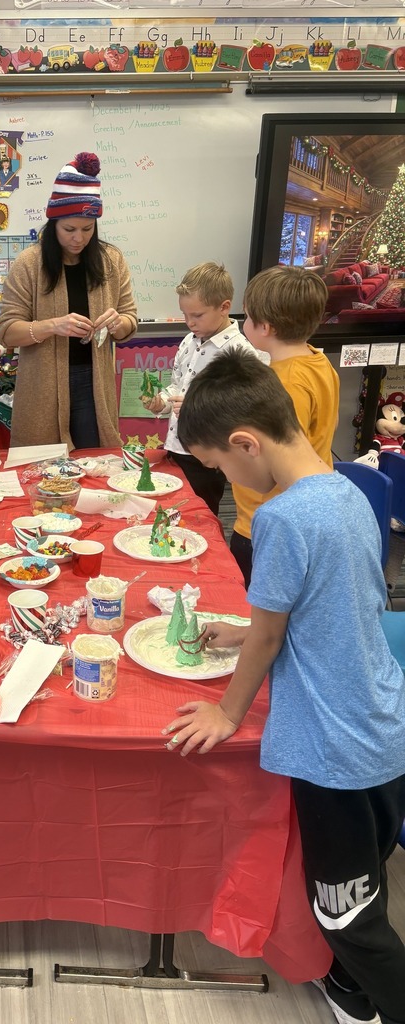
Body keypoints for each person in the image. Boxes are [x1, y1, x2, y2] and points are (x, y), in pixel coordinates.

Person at [162, 349, 405, 1024]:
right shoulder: (344, 490)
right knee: (362, 887)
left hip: (339, 751)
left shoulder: (281, 517)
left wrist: (226, 711)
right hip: (384, 725)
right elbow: (329, 602)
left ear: (246, 443)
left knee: (348, 915)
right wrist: (243, 633)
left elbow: (271, 636)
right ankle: (353, 994)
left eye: (221, 466)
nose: (229, 479)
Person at [0, 152, 138, 450]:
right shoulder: (29, 263)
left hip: (93, 383)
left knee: (95, 463)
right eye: (69, 230)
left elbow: (129, 322)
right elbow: (7, 331)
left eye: (87, 229)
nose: (78, 238)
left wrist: (118, 322)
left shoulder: (111, 260)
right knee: (42, 469)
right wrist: (52, 326)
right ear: (53, 224)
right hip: (42, 387)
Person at [229, 265, 339, 586]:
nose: (243, 323)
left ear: (265, 327)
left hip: (267, 524)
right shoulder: (317, 360)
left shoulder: (285, 383)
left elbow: (279, 462)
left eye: (247, 317)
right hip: (288, 516)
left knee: (258, 616)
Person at [141, 261, 266, 515]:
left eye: (197, 315)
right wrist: (162, 402)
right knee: (172, 515)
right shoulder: (189, 341)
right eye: (185, 314)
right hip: (175, 449)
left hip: (210, 458)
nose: (189, 322)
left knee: (201, 518)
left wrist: (197, 409)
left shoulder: (240, 353)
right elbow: (177, 386)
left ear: (224, 307)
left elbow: (248, 411)